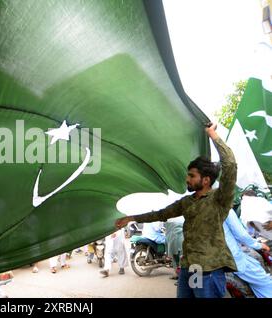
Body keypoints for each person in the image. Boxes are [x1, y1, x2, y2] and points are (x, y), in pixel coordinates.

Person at [115, 123, 237, 298]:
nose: (187, 179)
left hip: (208, 270)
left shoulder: (219, 199)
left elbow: (230, 165)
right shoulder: (187, 201)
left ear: (206, 180)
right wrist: (131, 218)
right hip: (189, 267)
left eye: (192, 176)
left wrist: (212, 134)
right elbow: (160, 214)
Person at [223, 209, 272, 298]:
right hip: (233, 258)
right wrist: (259, 245)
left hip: (211, 265)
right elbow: (241, 235)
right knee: (265, 283)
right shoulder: (222, 206)